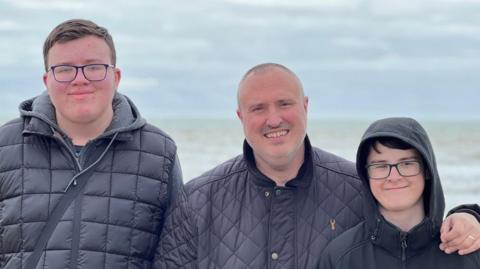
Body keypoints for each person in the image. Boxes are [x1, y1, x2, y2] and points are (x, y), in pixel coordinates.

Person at [155, 63, 480, 268]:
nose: (274, 119)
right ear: (240, 117)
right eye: (258, 108)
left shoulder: (357, 186)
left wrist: (469, 216)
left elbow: (418, 227)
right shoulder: (197, 199)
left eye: (285, 103)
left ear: (306, 106)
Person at [0, 19, 183, 269]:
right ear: (47, 81)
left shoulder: (159, 152)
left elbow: (177, 256)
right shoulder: (4, 145)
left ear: (116, 77)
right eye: (64, 69)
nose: (79, 79)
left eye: (94, 67)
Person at [320, 117, 480, 268]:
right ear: (366, 175)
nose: (394, 177)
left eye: (406, 163)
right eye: (380, 166)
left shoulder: (467, 248)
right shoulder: (339, 256)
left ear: (427, 170)